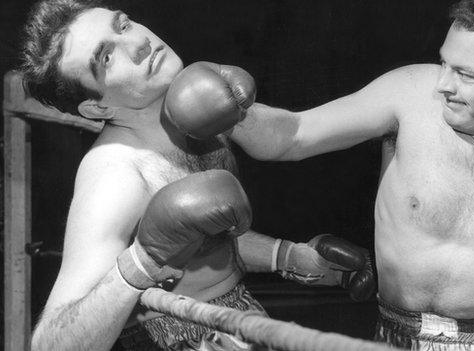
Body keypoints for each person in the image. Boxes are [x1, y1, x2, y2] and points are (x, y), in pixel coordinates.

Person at [228, 0, 474, 349]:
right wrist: (227, 109)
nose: (444, 84)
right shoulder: (408, 95)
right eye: (444, 63)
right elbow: (293, 135)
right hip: (395, 333)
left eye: (466, 74)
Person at [20, 0, 376, 350]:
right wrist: (140, 261)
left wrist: (288, 257)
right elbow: (51, 343)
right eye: (108, 57)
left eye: (123, 24)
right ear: (98, 106)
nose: (139, 43)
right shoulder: (115, 176)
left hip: (237, 316)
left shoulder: (198, 111)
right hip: (170, 337)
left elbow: (195, 235)